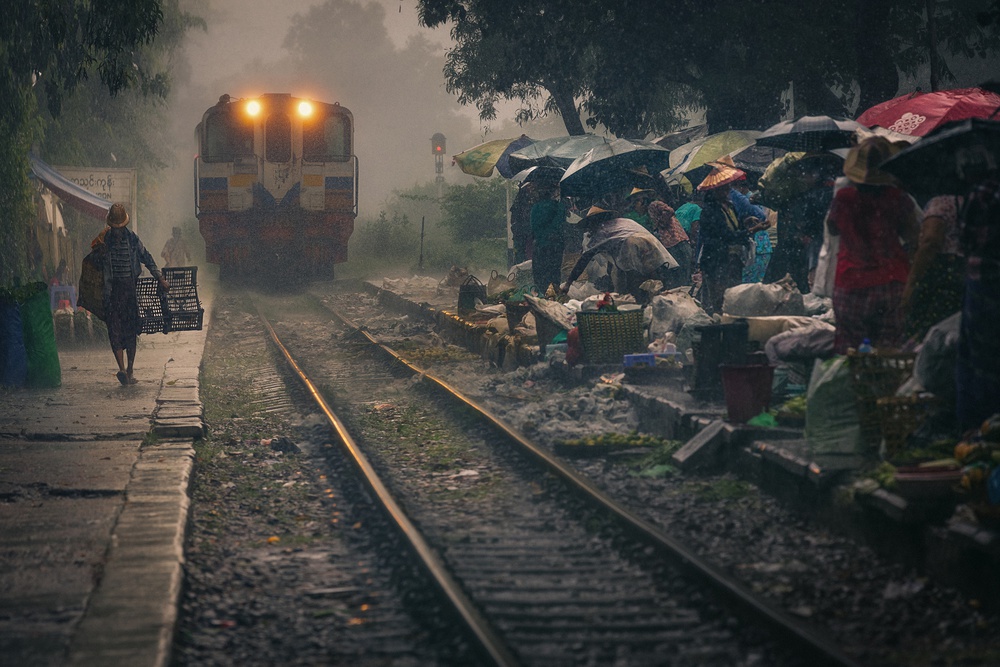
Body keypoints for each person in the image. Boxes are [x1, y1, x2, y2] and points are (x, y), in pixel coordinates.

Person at [825, 137, 919, 354]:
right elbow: (913, 236)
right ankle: (885, 385)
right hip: (892, 282)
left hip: (851, 282)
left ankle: (856, 386)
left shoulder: (844, 197)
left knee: (852, 352)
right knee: (888, 350)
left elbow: (832, 228)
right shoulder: (898, 198)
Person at [92, 204, 170, 385]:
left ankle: (130, 370)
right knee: (114, 332)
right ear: (111, 226)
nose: (118, 232)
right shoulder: (104, 241)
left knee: (131, 331)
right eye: (115, 228)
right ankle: (121, 369)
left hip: (129, 293)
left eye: (120, 228)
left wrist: (160, 278)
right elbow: (94, 264)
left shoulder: (133, 240)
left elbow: (147, 258)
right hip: (112, 294)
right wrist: (100, 254)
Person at [955, 168, 1000, 431]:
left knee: (976, 357)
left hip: (984, 284)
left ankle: (975, 430)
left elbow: (966, 238)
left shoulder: (984, 191)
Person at [561, 206, 678, 300]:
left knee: (637, 280)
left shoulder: (601, 231)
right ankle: (656, 299)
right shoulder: (622, 222)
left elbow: (584, 259)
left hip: (634, 245)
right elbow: (615, 257)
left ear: (593, 222)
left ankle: (639, 303)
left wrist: (568, 283)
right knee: (652, 277)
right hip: (650, 243)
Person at [902, 195, 965, 343]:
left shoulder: (941, 204)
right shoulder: (977, 201)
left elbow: (931, 241)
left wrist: (911, 283)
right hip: (969, 275)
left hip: (941, 280)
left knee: (932, 335)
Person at [695, 160, 751, 315]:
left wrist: (746, 224)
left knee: (735, 298)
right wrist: (748, 232)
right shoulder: (710, 211)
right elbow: (724, 235)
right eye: (723, 187)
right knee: (721, 301)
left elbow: (734, 228)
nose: (727, 189)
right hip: (717, 262)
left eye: (728, 186)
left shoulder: (730, 206)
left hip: (733, 260)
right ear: (714, 190)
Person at [529, 181, 566, 293]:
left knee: (540, 276)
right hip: (555, 246)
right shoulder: (558, 206)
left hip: (539, 246)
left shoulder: (535, 208)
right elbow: (560, 224)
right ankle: (554, 297)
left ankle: (540, 297)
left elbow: (533, 229)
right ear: (552, 192)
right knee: (554, 274)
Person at [648, 200, 693, 288]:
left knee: (680, 272)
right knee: (680, 273)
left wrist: (661, 220)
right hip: (674, 244)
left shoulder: (654, 205)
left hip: (675, 243)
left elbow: (670, 211)